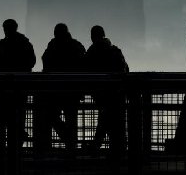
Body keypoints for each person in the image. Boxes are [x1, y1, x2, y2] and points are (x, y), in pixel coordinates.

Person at [83, 25, 128, 157]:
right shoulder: (115, 50)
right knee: (116, 124)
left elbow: (86, 71)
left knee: (105, 121)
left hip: (101, 95)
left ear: (92, 37)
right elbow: (125, 69)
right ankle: (118, 152)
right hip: (118, 93)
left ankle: (97, 148)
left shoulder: (91, 53)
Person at [40, 23, 86, 151]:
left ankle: (67, 140)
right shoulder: (76, 46)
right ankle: (71, 147)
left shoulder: (52, 45)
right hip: (73, 90)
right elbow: (83, 65)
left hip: (55, 90)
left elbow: (45, 63)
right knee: (71, 120)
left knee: (51, 116)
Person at [0, 19, 36, 151]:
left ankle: (8, 148)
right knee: (17, 116)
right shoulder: (24, 42)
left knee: (4, 118)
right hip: (20, 86)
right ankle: (16, 146)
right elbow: (31, 62)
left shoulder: (6, 43)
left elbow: (2, 62)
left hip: (6, 86)